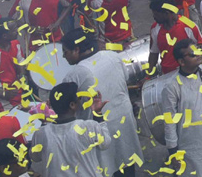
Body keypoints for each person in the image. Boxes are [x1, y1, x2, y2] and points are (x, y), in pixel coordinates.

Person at [61, 28, 142, 177]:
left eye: (65, 51)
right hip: (124, 120)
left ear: (76, 49)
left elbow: (68, 108)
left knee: (106, 167)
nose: (63, 56)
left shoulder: (74, 75)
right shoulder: (113, 56)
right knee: (127, 161)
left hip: (98, 128)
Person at [162, 39, 202, 177]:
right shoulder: (171, 87)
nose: (198, 54)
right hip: (190, 143)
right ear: (182, 62)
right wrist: (173, 151)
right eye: (192, 53)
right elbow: (169, 121)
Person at [30, 81, 110, 177]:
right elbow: (105, 143)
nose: (81, 101)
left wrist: (44, 121)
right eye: (79, 98)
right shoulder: (88, 127)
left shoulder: (41, 133)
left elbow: (35, 157)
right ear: (72, 105)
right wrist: (98, 114)